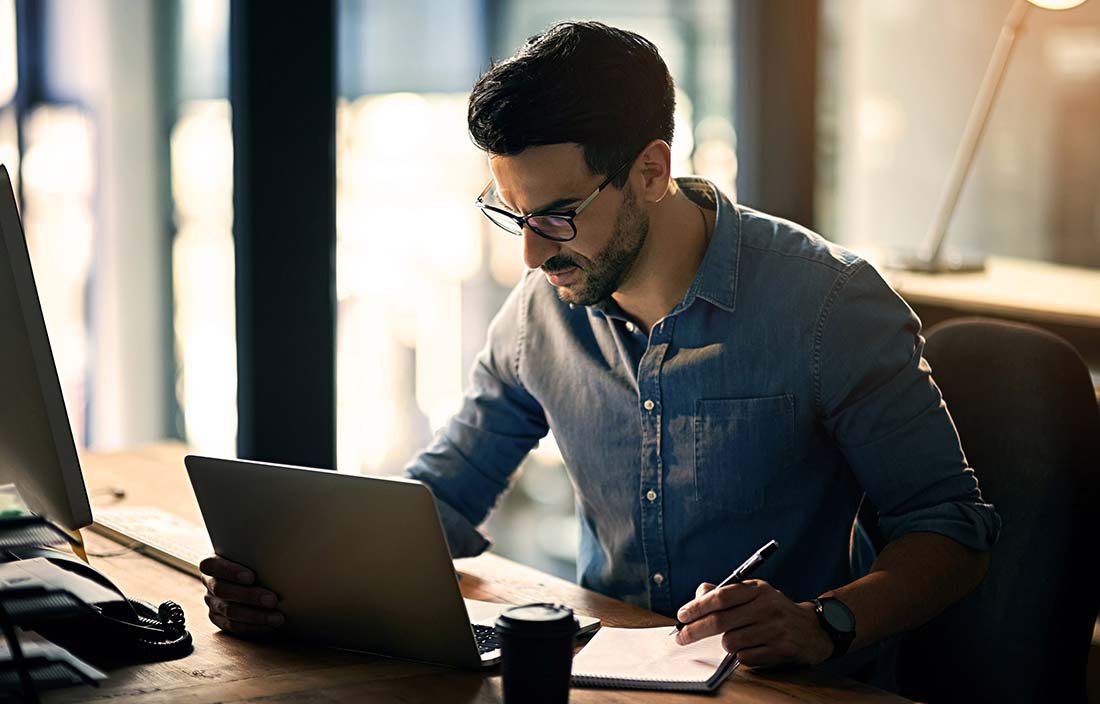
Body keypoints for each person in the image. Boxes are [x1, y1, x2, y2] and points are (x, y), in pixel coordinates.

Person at [200, 21, 1000, 687]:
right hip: (605, 681)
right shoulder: (542, 309)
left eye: (556, 215)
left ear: (651, 171)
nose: (530, 257)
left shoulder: (829, 305)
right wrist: (299, 586)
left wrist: (821, 622)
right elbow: (440, 498)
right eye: (512, 215)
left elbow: (953, 533)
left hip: (790, 689)